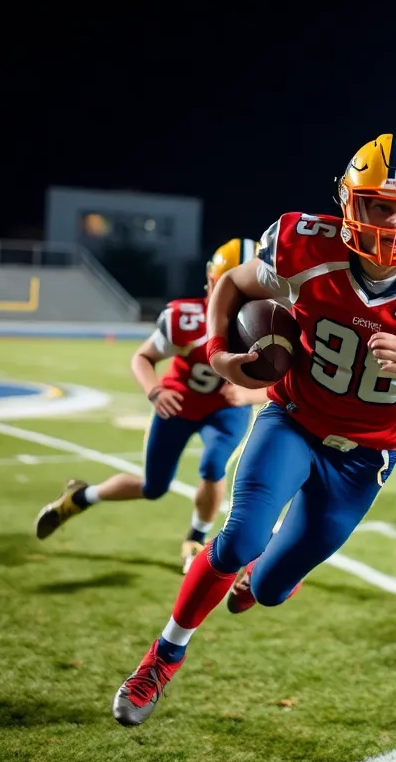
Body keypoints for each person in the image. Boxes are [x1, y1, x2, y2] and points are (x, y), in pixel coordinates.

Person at [111, 133, 396, 726]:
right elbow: (233, 285)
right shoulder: (304, 247)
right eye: (380, 204)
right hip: (294, 421)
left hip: (366, 458)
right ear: (351, 203)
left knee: (267, 589)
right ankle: (162, 658)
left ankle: (259, 584)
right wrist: (218, 352)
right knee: (239, 539)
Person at [34, 239, 267, 572]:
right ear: (213, 281)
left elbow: (281, 387)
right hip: (179, 404)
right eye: (231, 281)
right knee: (153, 487)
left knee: (214, 465)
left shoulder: (269, 323)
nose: (238, 293)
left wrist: (248, 395)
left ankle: (195, 538)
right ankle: (81, 497)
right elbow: (142, 357)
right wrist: (155, 391)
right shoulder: (186, 318)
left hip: (225, 410)